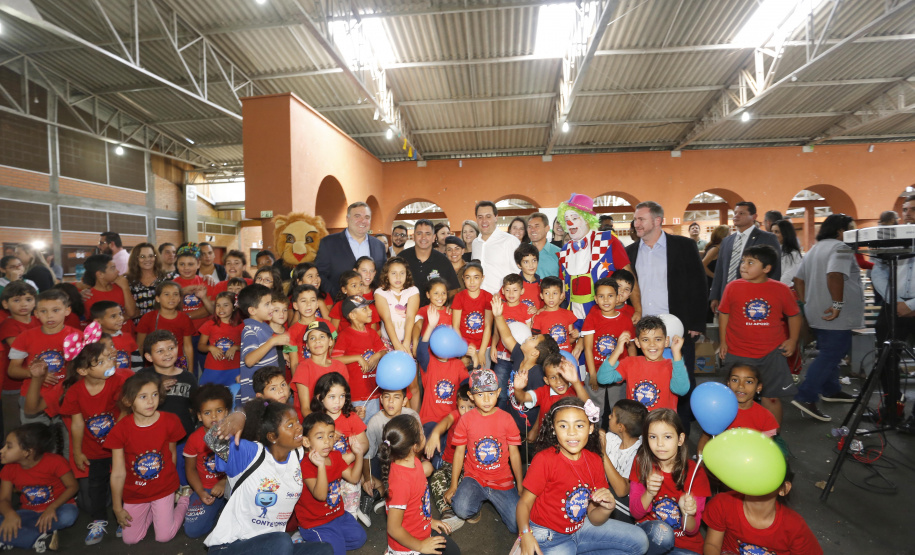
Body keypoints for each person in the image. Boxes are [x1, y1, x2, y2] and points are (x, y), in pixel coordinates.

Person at [515, 397, 649, 555]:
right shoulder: (544, 460)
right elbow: (524, 503)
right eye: (563, 425)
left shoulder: (594, 460)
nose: (572, 433)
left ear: (591, 428)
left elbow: (593, 517)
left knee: (640, 540)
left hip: (580, 527)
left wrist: (607, 509)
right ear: (553, 429)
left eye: (579, 425)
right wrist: (525, 534)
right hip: (549, 536)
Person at [202, 400, 333, 555]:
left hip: (270, 546)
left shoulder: (296, 454)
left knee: (324, 550)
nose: (299, 427)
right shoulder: (251, 454)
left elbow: (322, 442)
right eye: (290, 425)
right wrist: (240, 414)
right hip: (232, 546)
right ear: (272, 436)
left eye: (297, 421)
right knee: (282, 542)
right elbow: (212, 439)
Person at [627, 201, 708, 430]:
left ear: (658, 220)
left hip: (677, 330)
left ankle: (680, 436)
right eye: (635, 219)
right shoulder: (630, 251)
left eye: (641, 219)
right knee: (646, 384)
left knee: (681, 384)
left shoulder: (683, 246)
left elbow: (699, 285)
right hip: (644, 332)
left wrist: (695, 323)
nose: (637, 223)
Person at [791, 214, 863, 422]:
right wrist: (837, 304)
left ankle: (831, 389)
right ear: (841, 231)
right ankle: (806, 395)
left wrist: (809, 302)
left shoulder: (816, 249)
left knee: (829, 352)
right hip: (835, 314)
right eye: (852, 228)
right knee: (832, 353)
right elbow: (834, 275)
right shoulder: (841, 247)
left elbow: (798, 279)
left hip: (818, 311)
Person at [718, 245, 800, 425]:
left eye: (750, 262)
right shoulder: (732, 287)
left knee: (771, 398)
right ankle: (732, 435)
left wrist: (792, 340)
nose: (743, 266)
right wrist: (723, 342)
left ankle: (773, 439)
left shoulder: (781, 289)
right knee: (734, 398)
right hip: (738, 352)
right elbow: (724, 314)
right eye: (743, 261)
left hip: (771, 353)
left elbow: (794, 315)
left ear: (766, 268)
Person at [108, 373, 190, 545]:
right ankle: (154, 512)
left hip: (163, 488)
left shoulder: (170, 421)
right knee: (130, 540)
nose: (151, 401)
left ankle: (184, 500)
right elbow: (117, 473)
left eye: (154, 394)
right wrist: (117, 507)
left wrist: (172, 485)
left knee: (163, 536)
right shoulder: (120, 430)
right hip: (135, 493)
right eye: (143, 397)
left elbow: (172, 454)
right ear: (128, 401)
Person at [59, 339, 127, 544]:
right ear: (82, 371)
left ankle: (125, 518)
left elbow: (125, 411)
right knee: (96, 487)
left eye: (108, 359)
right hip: (94, 450)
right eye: (100, 362)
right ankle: (99, 521)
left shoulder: (117, 382)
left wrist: (117, 440)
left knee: (124, 482)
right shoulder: (75, 392)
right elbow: (77, 424)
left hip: (119, 447)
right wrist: (78, 452)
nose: (109, 364)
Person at [445, 368, 523, 533]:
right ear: (472, 397)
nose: (486, 399)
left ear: (499, 392)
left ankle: (494, 498)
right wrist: (453, 485)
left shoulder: (507, 419)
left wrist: (521, 485)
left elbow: (515, 454)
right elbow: (459, 453)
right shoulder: (466, 420)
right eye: (480, 395)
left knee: (518, 524)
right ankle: (477, 501)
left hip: (502, 481)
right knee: (461, 508)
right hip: (474, 478)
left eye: (491, 393)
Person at [630, 408, 710, 555]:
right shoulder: (642, 462)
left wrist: (688, 513)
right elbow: (635, 513)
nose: (660, 444)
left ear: (680, 439)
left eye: (667, 437)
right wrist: (649, 493)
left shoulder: (695, 473)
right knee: (663, 534)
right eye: (653, 437)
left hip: (684, 546)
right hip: (650, 537)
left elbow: (692, 530)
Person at [380, 415, 461, 555]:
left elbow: (417, 505)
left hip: (422, 530)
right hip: (408, 547)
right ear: (415, 447)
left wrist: (429, 521)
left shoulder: (415, 463)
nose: (425, 434)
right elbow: (393, 529)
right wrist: (421, 546)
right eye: (422, 432)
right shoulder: (400, 483)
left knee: (454, 552)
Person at [557, 194, 641, 326]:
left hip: (605, 318)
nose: (569, 222)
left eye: (574, 218)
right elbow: (562, 289)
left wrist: (638, 309)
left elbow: (629, 277)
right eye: (566, 219)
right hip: (574, 320)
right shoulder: (564, 251)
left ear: (587, 219)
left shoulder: (608, 241)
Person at [871, 194, 915, 432]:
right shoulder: (892, 238)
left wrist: (912, 304)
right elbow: (878, 270)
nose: (908, 213)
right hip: (893, 305)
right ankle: (890, 409)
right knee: (886, 361)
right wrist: (896, 299)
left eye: (913, 210)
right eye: (906, 209)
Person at [704, 467, 822, 555]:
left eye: (768, 476)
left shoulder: (794, 526)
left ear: (783, 489)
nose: (758, 480)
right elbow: (712, 545)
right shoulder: (723, 503)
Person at [296, 412, 368, 555]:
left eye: (330, 436)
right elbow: (321, 495)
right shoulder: (305, 465)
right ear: (306, 442)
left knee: (360, 538)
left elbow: (353, 478)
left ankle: (326, 542)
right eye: (320, 437)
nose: (327, 441)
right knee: (336, 551)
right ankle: (303, 542)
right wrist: (321, 466)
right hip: (316, 523)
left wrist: (359, 454)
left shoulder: (335, 456)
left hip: (338, 515)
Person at [0, 423, 79, 552]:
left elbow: (73, 486)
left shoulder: (55, 462)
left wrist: (52, 507)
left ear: (27, 452)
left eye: (8, 447)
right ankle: (40, 539)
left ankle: (12, 536)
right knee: (6, 521)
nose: (2, 450)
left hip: (58, 508)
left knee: (68, 516)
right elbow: (3, 500)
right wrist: (9, 514)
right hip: (29, 512)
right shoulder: (8, 469)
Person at [7, 289, 79, 423]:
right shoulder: (25, 337)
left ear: (67, 311)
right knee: (33, 441)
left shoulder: (77, 337)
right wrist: (36, 375)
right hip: (32, 397)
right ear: (36, 314)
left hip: (66, 397)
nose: (49, 316)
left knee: (65, 441)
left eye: (55, 310)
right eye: (43, 311)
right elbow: (12, 370)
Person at [310, 372, 371, 527]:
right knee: (329, 509)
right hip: (327, 475)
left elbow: (365, 443)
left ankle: (352, 518)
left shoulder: (351, 417)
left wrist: (351, 456)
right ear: (320, 398)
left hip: (349, 474)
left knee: (349, 508)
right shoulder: (315, 421)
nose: (338, 402)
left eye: (342, 396)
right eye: (332, 397)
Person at [597, 316, 690, 413]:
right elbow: (603, 378)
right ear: (637, 342)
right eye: (645, 340)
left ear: (666, 341)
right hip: (636, 425)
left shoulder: (673, 366)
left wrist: (676, 353)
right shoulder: (630, 363)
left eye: (658, 339)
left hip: (662, 425)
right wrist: (617, 351)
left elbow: (681, 390)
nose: (652, 344)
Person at [710, 201, 782, 313]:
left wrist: (769, 295)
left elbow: (775, 269)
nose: (736, 216)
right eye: (735, 213)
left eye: (742, 213)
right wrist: (715, 295)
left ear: (754, 216)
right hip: (727, 296)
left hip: (755, 297)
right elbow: (720, 270)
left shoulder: (767, 238)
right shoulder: (727, 241)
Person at [416, 308, 470, 456]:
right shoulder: (429, 362)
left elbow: (467, 384)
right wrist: (431, 326)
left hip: (452, 418)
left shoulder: (457, 364)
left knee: (449, 455)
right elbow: (420, 350)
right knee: (431, 455)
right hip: (430, 419)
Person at [182, 383, 232, 539]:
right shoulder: (194, 439)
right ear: (199, 416)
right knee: (193, 530)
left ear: (227, 412)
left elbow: (243, 467)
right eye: (207, 412)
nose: (214, 417)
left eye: (219, 411)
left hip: (233, 485)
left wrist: (224, 481)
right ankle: (216, 509)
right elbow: (190, 470)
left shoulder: (234, 435)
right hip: (206, 489)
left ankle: (225, 509)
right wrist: (201, 492)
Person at [697, 364, 779, 453]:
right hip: (721, 459)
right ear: (728, 384)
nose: (741, 386)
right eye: (735, 380)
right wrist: (700, 459)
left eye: (749, 382)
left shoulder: (766, 417)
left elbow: (767, 448)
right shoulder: (718, 410)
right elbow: (705, 437)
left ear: (758, 387)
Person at [582, 279, 635, 414]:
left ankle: (616, 435)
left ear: (617, 298)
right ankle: (594, 433)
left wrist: (633, 372)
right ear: (595, 299)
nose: (606, 300)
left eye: (610, 295)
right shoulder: (592, 318)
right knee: (593, 410)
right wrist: (592, 374)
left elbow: (631, 347)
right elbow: (587, 348)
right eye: (601, 296)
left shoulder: (626, 320)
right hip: (595, 369)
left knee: (618, 410)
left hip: (618, 372)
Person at [331, 295, 388, 422]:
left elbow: (384, 351)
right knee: (359, 428)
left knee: (374, 428)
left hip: (374, 392)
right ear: (352, 315)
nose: (370, 311)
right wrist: (358, 358)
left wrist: (377, 355)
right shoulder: (345, 335)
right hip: (356, 395)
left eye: (369, 307)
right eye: (365, 309)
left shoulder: (372, 333)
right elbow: (335, 359)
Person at [426, 384, 474, 533]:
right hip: (448, 463)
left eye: (471, 407)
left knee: (465, 484)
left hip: (468, 468)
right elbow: (446, 421)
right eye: (462, 407)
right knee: (435, 478)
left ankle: (465, 508)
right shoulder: (456, 415)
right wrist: (435, 434)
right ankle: (447, 510)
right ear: (457, 405)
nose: (466, 412)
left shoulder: (479, 419)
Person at [364, 388, 422, 510]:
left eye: (396, 397)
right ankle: (386, 493)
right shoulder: (375, 421)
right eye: (386, 397)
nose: (391, 401)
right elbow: (368, 454)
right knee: (359, 472)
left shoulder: (412, 416)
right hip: (383, 462)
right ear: (381, 399)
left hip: (405, 463)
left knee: (425, 469)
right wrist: (367, 478)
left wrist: (415, 470)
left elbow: (417, 449)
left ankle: (383, 494)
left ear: (404, 400)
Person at [315, 202, 387, 299]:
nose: (363, 221)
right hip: (338, 305)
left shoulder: (379, 246)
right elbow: (320, 274)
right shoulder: (328, 243)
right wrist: (337, 296)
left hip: (372, 304)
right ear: (347, 219)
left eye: (367, 217)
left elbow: (382, 275)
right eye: (357, 216)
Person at [513, 354, 589, 441]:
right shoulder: (544, 392)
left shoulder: (576, 389)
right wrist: (518, 389)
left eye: (562, 376)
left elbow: (589, 407)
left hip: (570, 439)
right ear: (546, 380)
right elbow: (523, 398)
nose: (559, 381)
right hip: (546, 440)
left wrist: (576, 382)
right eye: (553, 377)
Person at [239, 284, 289, 405]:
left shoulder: (263, 328)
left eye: (271, 302)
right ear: (252, 310)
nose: (271, 307)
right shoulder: (250, 330)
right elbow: (249, 360)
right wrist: (272, 342)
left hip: (268, 394)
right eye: (267, 304)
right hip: (256, 399)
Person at [601, 399, 647, 524]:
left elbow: (622, 491)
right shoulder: (612, 438)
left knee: (605, 493)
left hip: (628, 507)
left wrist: (603, 453)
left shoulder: (640, 452)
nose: (609, 416)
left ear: (620, 427)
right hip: (613, 498)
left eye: (612, 415)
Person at [135, 281, 195, 371]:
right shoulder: (148, 317)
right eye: (167, 294)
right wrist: (139, 368)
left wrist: (190, 370)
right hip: (154, 363)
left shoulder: (184, 318)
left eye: (175, 294)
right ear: (158, 298)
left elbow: (188, 346)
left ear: (179, 299)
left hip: (177, 362)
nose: (172, 298)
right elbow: (140, 345)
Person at [399, 220, 460, 307]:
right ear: (413, 236)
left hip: (435, 315)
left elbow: (453, 291)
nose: (423, 237)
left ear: (434, 237)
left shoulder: (443, 261)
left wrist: (448, 309)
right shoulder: (401, 258)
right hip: (404, 314)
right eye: (419, 233)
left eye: (428, 234)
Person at [374, 258, 420, 359]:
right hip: (388, 342)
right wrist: (396, 345)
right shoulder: (380, 292)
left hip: (409, 340)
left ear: (407, 275)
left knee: (411, 370)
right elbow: (387, 320)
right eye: (393, 273)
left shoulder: (413, 290)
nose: (398, 277)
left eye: (402, 273)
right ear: (386, 275)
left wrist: (406, 343)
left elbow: (410, 317)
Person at [472, 201, 521, 295]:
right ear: (476, 219)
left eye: (488, 216)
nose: (484, 221)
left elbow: (519, 274)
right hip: (480, 302)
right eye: (480, 217)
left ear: (496, 217)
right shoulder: (475, 243)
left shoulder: (510, 241)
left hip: (503, 302)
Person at [197, 292, 244, 386]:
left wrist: (236, 348)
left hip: (234, 368)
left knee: (234, 396)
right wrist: (210, 348)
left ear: (234, 307)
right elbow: (200, 346)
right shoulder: (209, 324)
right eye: (218, 305)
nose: (221, 309)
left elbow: (248, 346)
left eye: (225, 305)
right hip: (213, 368)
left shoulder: (242, 325)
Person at [451, 262, 492, 369]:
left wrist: (482, 352)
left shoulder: (488, 297)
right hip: (464, 346)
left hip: (484, 345)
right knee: (465, 379)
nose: (472, 282)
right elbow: (455, 326)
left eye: (476, 277)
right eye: (468, 278)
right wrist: (464, 348)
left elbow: (488, 325)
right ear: (463, 278)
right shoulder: (459, 297)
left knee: (483, 379)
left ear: (482, 278)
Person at [82, 253, 138, 321]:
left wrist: (125, 288)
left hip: (128, 330)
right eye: (112, 268)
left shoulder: (121, 287)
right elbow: (99, 322)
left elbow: (132, 312)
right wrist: (127, 316)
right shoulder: (89, 297)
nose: (118, 271)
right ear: (100, 274)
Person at [531, 276, 578, 354]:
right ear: (541, 295)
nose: (551, 297)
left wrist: (574, 336)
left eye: (555, 293)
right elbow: (536, 343)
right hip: (548, 358)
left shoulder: (568, 314)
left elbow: (568, 340)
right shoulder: (538, 317)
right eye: (547, 293)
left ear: (561, 295)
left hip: (565, 357)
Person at [126, 242, 164, 324]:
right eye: (142, 256)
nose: (147, 259)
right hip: (137, 330)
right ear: (135, 259)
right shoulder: (127, 281)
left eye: (151, 256)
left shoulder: (168, 278)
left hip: (163, 328)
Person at [526, 212, 561, 279]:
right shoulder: (521, 252)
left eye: (537, 226)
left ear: (547, 228)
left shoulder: (558, 253)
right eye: (530, 227)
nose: (533, 230)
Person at [772, 220, 804, 286]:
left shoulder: (793, 254)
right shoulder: (771, 250)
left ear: (786, 233)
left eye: (777, 232)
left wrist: (776, 289)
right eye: (771, 231)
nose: (773, 234)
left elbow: (787, 277)